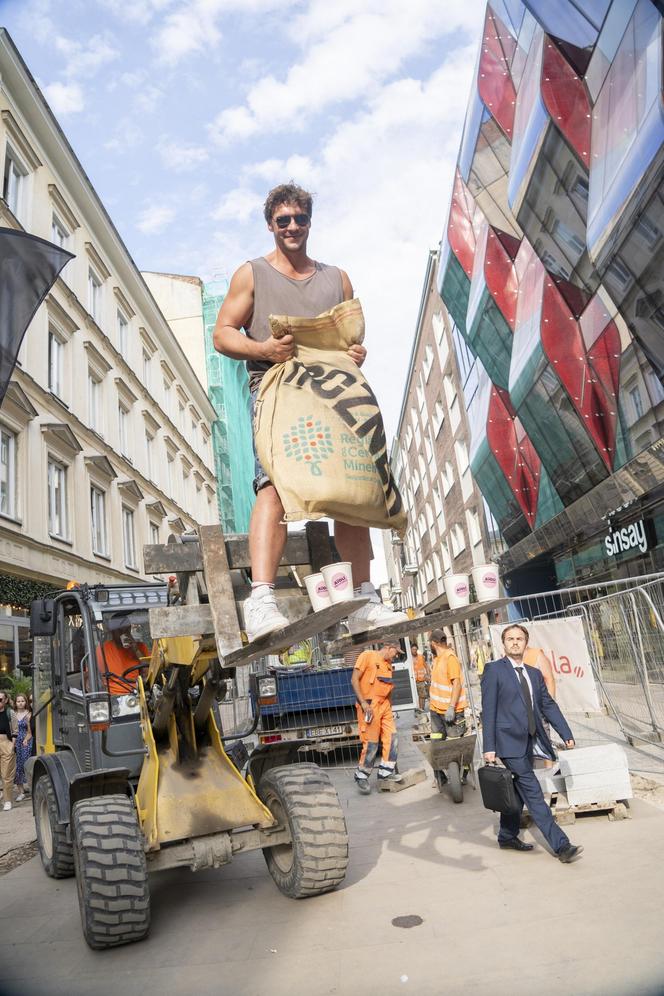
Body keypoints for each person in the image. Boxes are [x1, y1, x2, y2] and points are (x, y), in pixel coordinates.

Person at [213, 182, 407, 642]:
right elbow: (222, 334)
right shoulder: (252, 274)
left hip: (333, 395)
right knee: (274, 487)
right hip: (278, 391)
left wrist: (356, 354)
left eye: (300, 218)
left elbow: (351, 338)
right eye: (284, 220)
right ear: (271, 225)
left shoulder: (337, 279)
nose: (293, 227)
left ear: (310, 222)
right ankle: (261, 600)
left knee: (354, 488)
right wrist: (262, 347)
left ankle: (362, 601)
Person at [481, 624, 583, 863]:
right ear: (503, 644)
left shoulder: (534, 673)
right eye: (510, 639)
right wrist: (489, 746)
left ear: (526, 643)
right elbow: (489, 710)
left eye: (519, 639)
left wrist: (566, 732)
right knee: (534, 793)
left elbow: (548, 705)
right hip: (507, 744)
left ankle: (507, 836)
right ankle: (562, 846)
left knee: (515, 795)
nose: (515, 642)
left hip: (529, 742)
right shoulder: (494, 670)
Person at [351, 639, 400, 794]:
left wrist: (390, 708)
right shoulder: (367, 656)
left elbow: (388, 689)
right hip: (370, 706)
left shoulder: (387, 665)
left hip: (384, 706)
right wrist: (364, 704)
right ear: (388, 646)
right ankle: (362, 775)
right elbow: (354, 680)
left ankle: (385, 772)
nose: (396, 656)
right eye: (396, 652)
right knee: (371, 743)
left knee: (392, 738)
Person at [96, 615, 150, 695]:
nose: (124, 633)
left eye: (127, 629)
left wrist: (136, 651)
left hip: (137, 693)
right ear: (112, 631)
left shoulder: (140, 647)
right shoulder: (102, 650)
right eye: (120, 630)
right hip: (113, 695)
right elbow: (95, 676)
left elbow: (148, 674)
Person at [429, 630, 466, 738]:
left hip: (451, 711)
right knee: (436, 740)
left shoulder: (450, 658)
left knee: (455, 744)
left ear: (433, 643)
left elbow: (457, 684)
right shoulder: (437, 659)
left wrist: (451, 707)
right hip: (436, 710)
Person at [0, 691, 18, 811]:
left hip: (5, 742)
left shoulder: (9, 712)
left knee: (7, 774)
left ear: (6, 700)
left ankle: (7, 800)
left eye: (0, 699)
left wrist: (12, 745)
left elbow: (15, 730)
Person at [12, 693, 32, 802]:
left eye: (22, 701)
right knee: (16, 766)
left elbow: (30, 732)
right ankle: (21, 791)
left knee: (26, 764)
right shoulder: (13, 714)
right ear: (15, 703)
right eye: (18, 701)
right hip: (15, 742)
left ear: (26, 702)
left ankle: (30, 786)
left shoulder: (28, 714)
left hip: (25, 741)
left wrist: (26, 739)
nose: (20, 703)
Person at [411, 642, 430, 710]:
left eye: (415, 649)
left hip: (421, 680)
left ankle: (421, 709)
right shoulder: (409, 658)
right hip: (413, 680)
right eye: (413, 649)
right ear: (410, 650)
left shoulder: (421, 656)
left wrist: (428, 675)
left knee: (422, 696)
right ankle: (417, 709)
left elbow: (426, 666)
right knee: (415, 696)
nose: (414, 651)